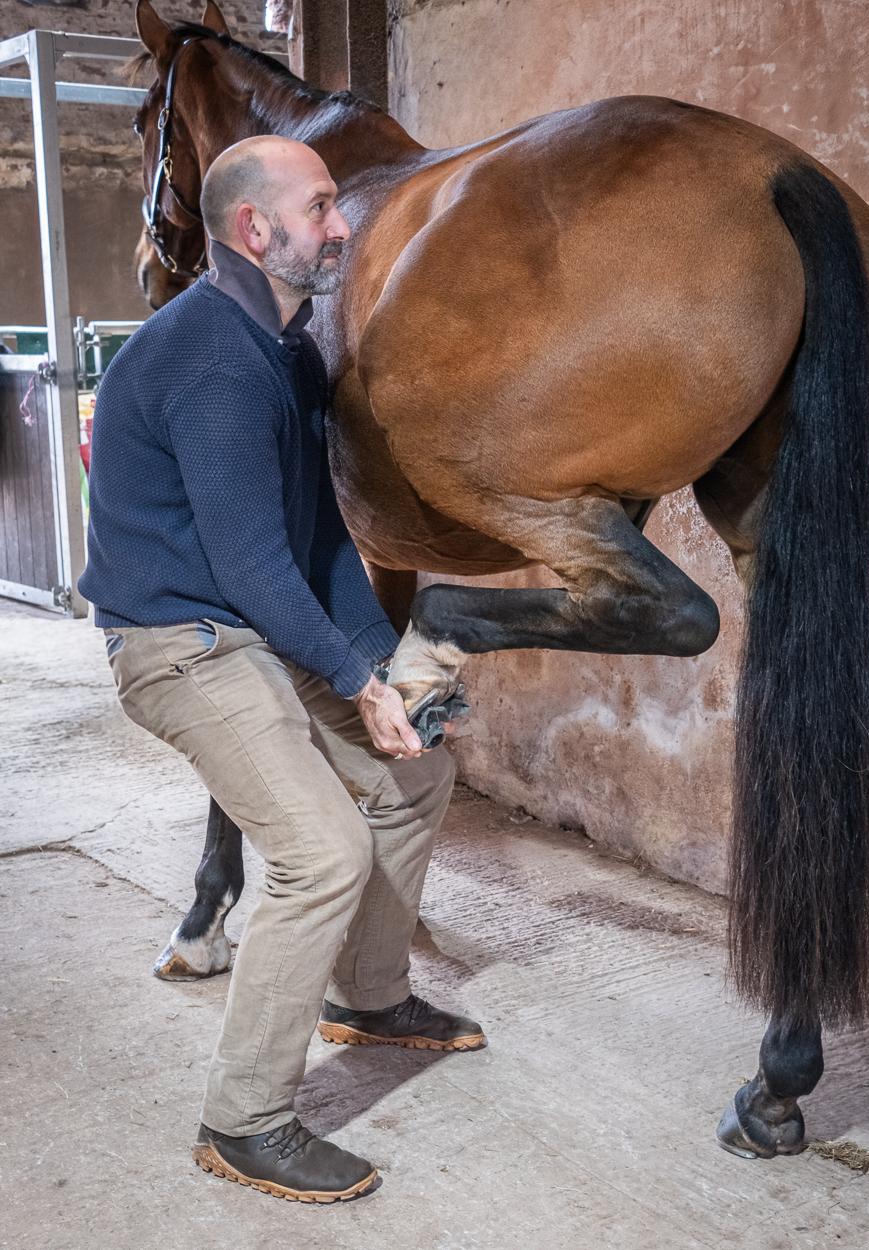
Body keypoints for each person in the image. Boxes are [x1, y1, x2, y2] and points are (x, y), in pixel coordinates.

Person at [80, 135, 485, 1204]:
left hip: (255, 621)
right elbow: (250, 560)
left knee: (414, 775)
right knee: (320, 849)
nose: (341, 224)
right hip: (180, 642)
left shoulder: (287, 350)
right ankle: (244, 1118)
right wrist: (354, 682)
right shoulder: (210, 357)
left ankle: (370, 993)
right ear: (255, 230)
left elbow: (314, 545)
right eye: (320, 208)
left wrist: (386, 670)